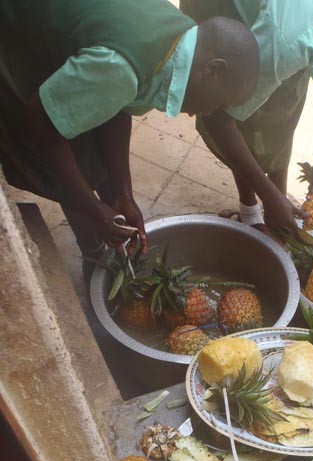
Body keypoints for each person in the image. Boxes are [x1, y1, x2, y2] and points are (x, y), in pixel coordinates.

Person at [0, 0, 259, 268]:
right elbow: (42, 120)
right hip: (13, 35)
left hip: (56, 30)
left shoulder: (178, 39)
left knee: (84, 139)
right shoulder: (122, 67)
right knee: (59, 159)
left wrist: (123, 190)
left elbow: (119, 102)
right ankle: (94, 252)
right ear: (213, 70)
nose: (208, 112)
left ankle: (98, 233)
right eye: (218, 104)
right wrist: (92, 209)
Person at [179, 0, 313, 237]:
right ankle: (250, 207)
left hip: (287, 23)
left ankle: (278, 209)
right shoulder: (291, 40)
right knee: (237, 106)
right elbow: (219, 116)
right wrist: (268, 196)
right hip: (225, 8)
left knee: (282, 111)